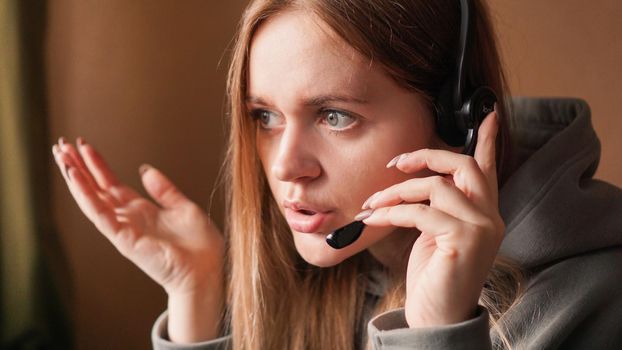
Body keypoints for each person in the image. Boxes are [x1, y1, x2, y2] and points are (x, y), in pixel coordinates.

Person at [51, 0, 622, 349]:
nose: (283, 166)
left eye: (335, 115)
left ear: (457, 121)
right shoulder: (341, 266)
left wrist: (437, 333)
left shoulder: (596, 299)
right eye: (265, 116)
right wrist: (196, 295)